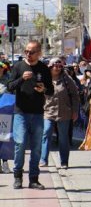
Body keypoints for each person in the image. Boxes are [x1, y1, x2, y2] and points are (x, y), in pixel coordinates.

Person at [7, 40, 54, 190]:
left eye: (32, 52)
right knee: (20, 144)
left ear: (39, 53)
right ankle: (17, 176)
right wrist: (22, 79)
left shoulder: (43, 69)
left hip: (38, 114)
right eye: (26, 51)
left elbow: (51, 90)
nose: (28, 54)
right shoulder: (18, 66)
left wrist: (44, 89)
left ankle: (34, 179)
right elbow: (9, 87)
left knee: (36, 147)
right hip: (20, 112)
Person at [40, 58, 79, 169]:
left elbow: (75, 96)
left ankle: (64, 161)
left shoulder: (67, 79)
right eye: (55, 66)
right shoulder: (44, 79)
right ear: (50, 67)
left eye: (59, 66)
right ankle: (43, 159)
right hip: (48, 111)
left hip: (64, 113)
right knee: (46, 133)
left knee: (63, 137)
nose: (57, 68)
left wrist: (75, 111)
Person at [0, 61, 11, 173]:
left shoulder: (9, 79)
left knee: (4, 138)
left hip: (5, 111)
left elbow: (13, 92)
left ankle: (5, 162)